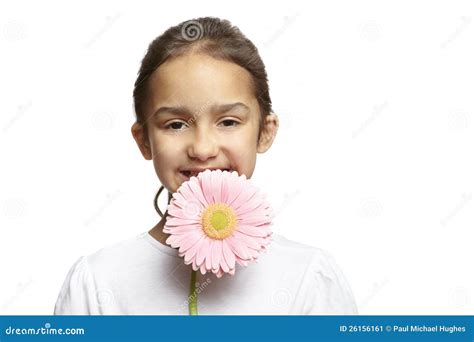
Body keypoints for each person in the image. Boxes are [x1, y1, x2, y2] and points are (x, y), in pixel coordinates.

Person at [54, 17, 357, 315]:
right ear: (144, 140)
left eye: (228, 122)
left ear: (264, 132)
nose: (202, 149)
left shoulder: (310, 277)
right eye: (175, 125)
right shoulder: (96, 283)